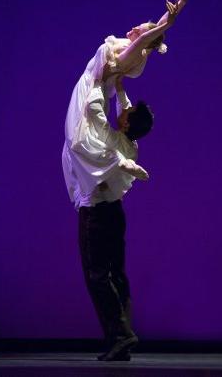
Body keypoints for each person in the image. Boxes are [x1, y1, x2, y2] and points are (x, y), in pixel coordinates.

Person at [63, 0, 188, 206]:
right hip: (95, 89)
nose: (133, 29)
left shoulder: (130, 53)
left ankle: (115, 165)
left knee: (77, 139)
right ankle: (111, 168)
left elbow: (146, 38)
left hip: (90, 90)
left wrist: (168, 23)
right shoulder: (139, 53)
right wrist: (175, 11)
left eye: (138, 30)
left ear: (144, 40)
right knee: (76, 145)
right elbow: (152, 34)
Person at [63, 76, 154, 361]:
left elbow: (99, 119)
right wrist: (118, 86)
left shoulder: (111, 142)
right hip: (114, 213)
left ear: (126, 124)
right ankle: (122, 336)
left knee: (98, 275)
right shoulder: (130, 143)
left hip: (97, 213)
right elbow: (123, 108)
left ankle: (120, 336)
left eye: (126, 114)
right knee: (116, 274)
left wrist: (98, 89)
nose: (123, 111)